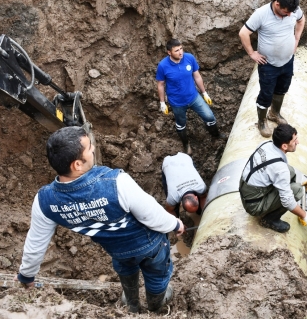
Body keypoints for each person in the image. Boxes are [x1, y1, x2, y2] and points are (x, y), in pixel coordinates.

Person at [15, 127, 185, 313]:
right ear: (77, 164)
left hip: (117, 250)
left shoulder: (44, 202)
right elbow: (151, 215)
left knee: (126, 270)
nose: (94, 148)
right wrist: (175, 224)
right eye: (89, 147)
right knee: (157, 275)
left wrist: (26, 276)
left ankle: (132, 305)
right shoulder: (117, 183)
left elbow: (36, 243)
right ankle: (156, 305)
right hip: (150, 245)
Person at [239, 0, 306, 137]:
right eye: (286, 12)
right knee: (266, 94)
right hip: (268, 65)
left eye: (291, 12)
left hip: (287, 61)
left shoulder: (293, 9)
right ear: (277, 4)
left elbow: (301, 20)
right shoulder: (261, 14)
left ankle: (274, 113)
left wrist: (296, 39)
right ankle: (262, 121)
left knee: (282, 89)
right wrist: (251, 53)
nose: (290, 15)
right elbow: (243, 33)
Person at [156, 39, 226, 154]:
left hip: (193, 97)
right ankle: (186, 144)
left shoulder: (189, 58)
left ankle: (216, 135)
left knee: (209, 116)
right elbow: (160, 84)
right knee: (181, 124)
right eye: (176, 50)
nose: (180, 52)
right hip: (177, 102)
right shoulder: (163, 66)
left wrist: (204, 93)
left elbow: (197, 76)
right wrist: (162, 102)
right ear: (169, 52)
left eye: (181, 49)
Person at [239, 123, 307, 233]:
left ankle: (279, 195)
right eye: (294, 140)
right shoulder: (279, 169)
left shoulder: (266, 144)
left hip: (246, 188)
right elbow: (287, 201)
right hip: (253, 204)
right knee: (297, 190)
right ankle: (270, 219)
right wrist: (304, 215)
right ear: (284, 146)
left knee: (290, 171)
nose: (298, 142)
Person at [162, 152, 207, 217]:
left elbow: (203, 197)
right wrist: (177, 225)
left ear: (196, 198)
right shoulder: (173, 197)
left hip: (184, 158)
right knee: (173, 207)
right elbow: (169, 210)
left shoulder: (201, 187)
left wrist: (205, 214)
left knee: (201, 209)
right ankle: (178, 216)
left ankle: (199, 212)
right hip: (168, 164)